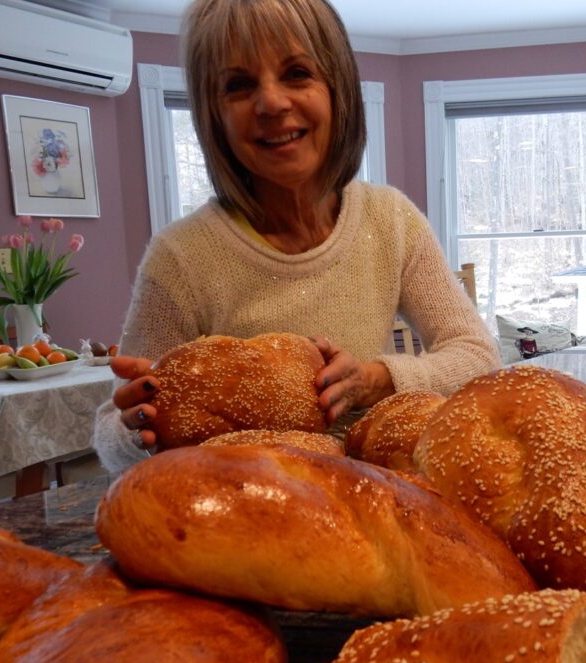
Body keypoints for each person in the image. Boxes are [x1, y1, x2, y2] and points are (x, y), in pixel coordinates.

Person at [93, 0, 499, 473]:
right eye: (239, 85)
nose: (271, 103)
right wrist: (136, 432)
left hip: (373, 494)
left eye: (297, 73)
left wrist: (375, 379)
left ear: (337, 89)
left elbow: (478, 356)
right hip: (246, 507)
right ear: (213, 117)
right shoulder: (180, 259)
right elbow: (110, 430)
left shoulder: (390, 221)